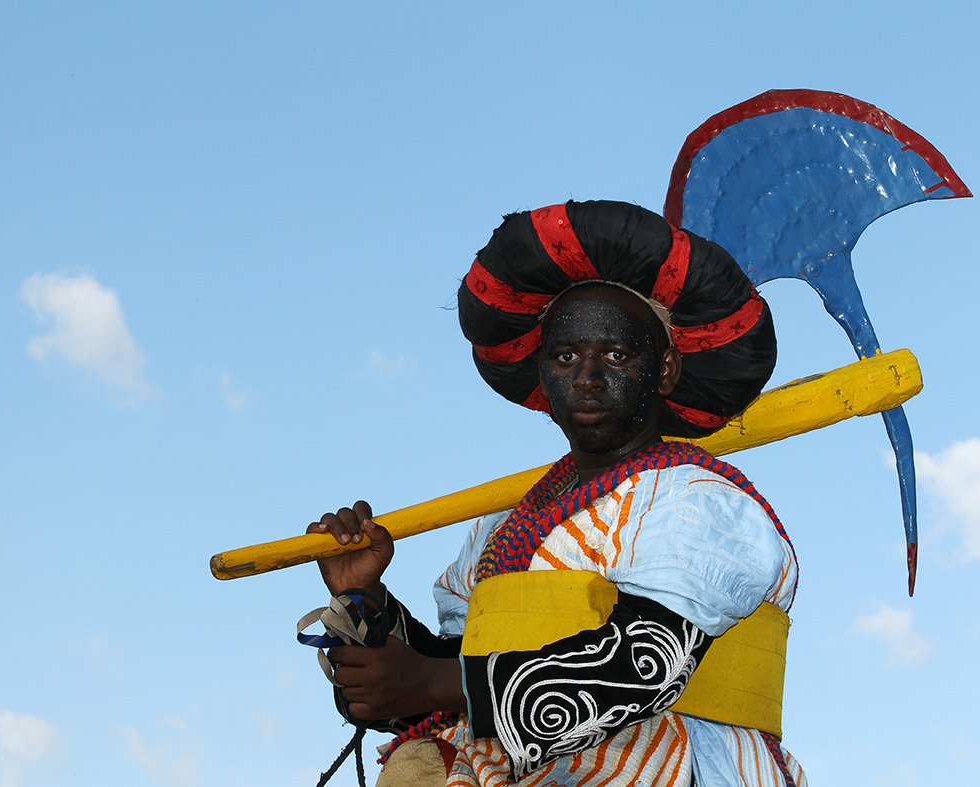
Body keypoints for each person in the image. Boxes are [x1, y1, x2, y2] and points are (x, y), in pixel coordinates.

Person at [306, 201, 805, 786]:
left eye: (617, 354)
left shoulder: (699, 500)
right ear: (542, 372)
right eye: (566, 356)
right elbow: (446, 685)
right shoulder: (501, 525)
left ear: (665, 369)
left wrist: (430, 681)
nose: (588, 377)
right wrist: (365, 597)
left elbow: (646, 666)